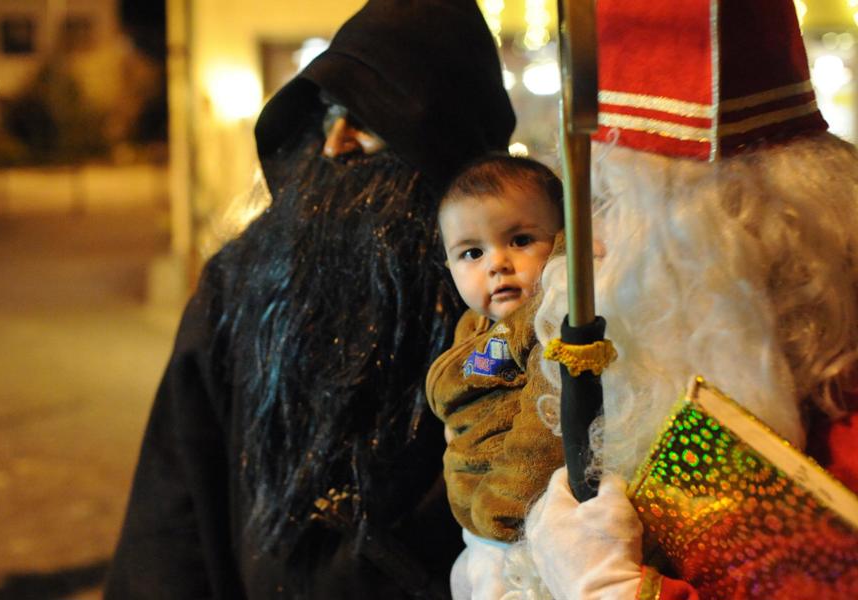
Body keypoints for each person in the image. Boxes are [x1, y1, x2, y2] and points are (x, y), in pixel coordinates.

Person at [104, 1, 516, 598]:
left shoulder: (504, 300)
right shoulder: (244, 279)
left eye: (365, 123)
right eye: (328, 117)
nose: (334, 145)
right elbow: (174, 508)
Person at [468, 1, 858, 598]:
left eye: (615, 206)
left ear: (729, 236)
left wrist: (614, 589)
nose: (588, 245)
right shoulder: (647, 373)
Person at [426, 154, 567, 599]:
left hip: (526, 519)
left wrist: (504, 504)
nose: (497, 264)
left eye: (521, 240)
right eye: (471, 252)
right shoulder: (474, 327)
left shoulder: (549, 320)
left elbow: (547, 421)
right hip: (478, 521)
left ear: (561, 242)